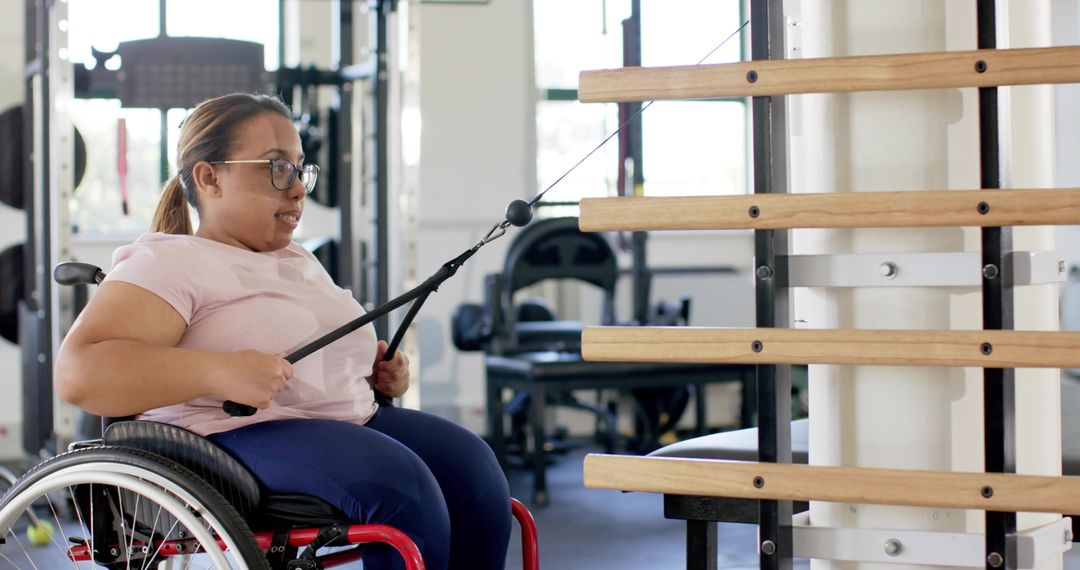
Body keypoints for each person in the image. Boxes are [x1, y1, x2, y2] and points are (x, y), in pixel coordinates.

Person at [54, 92, 511, 570]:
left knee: (475, 470)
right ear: (210, 177)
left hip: (347, 421)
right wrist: (220, 372)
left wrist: (376, 374)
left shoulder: (296, 257)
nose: (297, 190)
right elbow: (79, 373)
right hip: (229, 436)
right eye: (276, 168)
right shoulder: (168, 261)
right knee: (401, 485)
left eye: (299, 170)